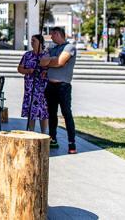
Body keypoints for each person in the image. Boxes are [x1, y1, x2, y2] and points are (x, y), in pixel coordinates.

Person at [41, 26, 78, 154]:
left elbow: (60, 62)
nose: (51, 37)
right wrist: (53, 61)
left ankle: (71, 143)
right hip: (50, 86)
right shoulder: (52, 48)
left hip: (63, 86)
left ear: (58, 34)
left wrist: (51, 61)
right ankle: (53, 139)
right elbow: (42, 62)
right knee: (51, 114)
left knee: (66, 113)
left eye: (52, 35)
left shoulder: (69, 47)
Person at [17, 34, 49, 134]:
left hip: (42, 89)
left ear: (40, 42)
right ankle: (31, 132)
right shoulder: (27, 55)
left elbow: (51, 69)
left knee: (43, 111)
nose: (31, 42)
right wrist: (28, 71)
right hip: (30, 88)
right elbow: (19, 68)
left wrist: (45, 72)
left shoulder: (46, 55)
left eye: (33, 40)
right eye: (31, 40)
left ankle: (44, 133)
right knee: (31, 110)